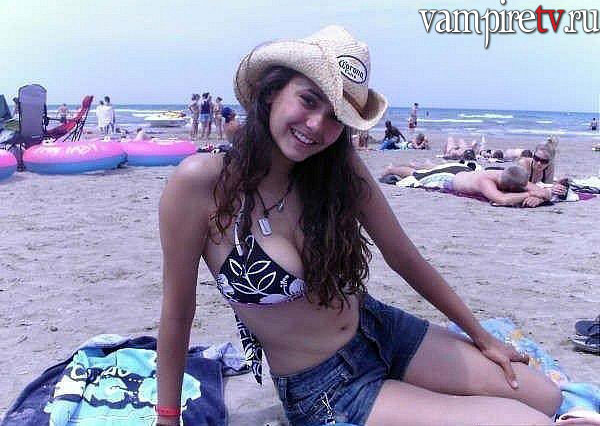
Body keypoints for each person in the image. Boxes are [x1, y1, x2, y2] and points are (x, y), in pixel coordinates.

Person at [156, 26, 561, 426]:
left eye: (336, 117)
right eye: (308, 100)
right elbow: (178, 312)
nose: (316, 125)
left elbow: (403, 256)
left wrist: (482, 337)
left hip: (380, 329)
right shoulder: (203, 185)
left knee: (546, 396)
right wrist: (168, 418)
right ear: (272, 91)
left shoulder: (335, 167)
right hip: (327, 388)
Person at [383, 163, 553, 207]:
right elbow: (502, 199)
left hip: (463, 171)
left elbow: (544, 192)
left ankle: (421, 164)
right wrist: (529, 195)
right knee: (417, 175)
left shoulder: (512, 176)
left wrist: (539, 196)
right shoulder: (486, 182)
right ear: (510, 187)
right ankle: (392, 169)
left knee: (428, 169)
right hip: (448, 178)